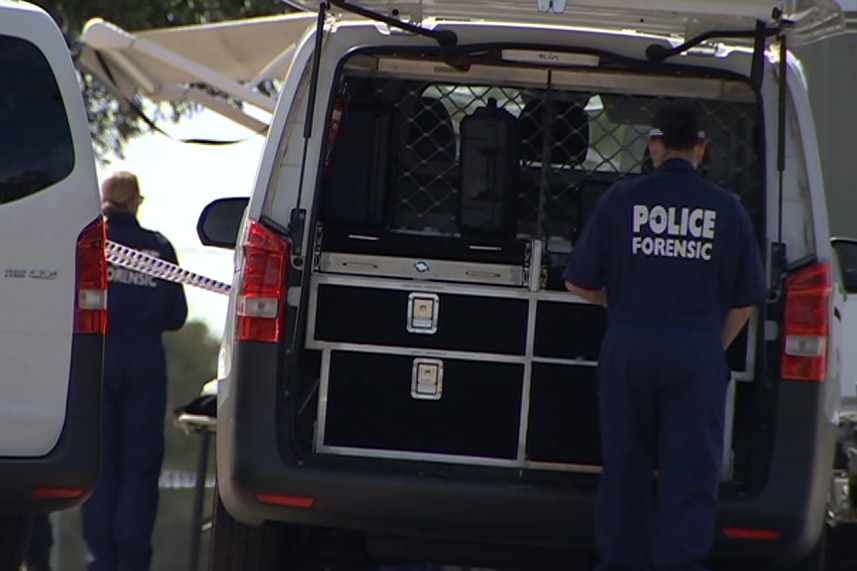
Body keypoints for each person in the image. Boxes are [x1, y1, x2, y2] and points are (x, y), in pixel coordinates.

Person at [563, 100, 767, 571]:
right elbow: (744, 300)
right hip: (695, 349)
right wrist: (708, 349)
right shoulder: (727, 209)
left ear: (654, 144)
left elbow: (579, 282)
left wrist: (631, 303)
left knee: (625, 466)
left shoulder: (620, 200)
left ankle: (620, 562)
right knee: (690, 472)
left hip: (630, 345)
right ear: (701, 147)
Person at [80, 171, 188, 571]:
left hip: (98, 357)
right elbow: (176, 314)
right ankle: (133, 562)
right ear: (137, 201)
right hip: (144, 361)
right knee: (139, 468)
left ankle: (101, 560)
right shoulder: (158, 247)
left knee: (99, 463)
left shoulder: (92, 245)